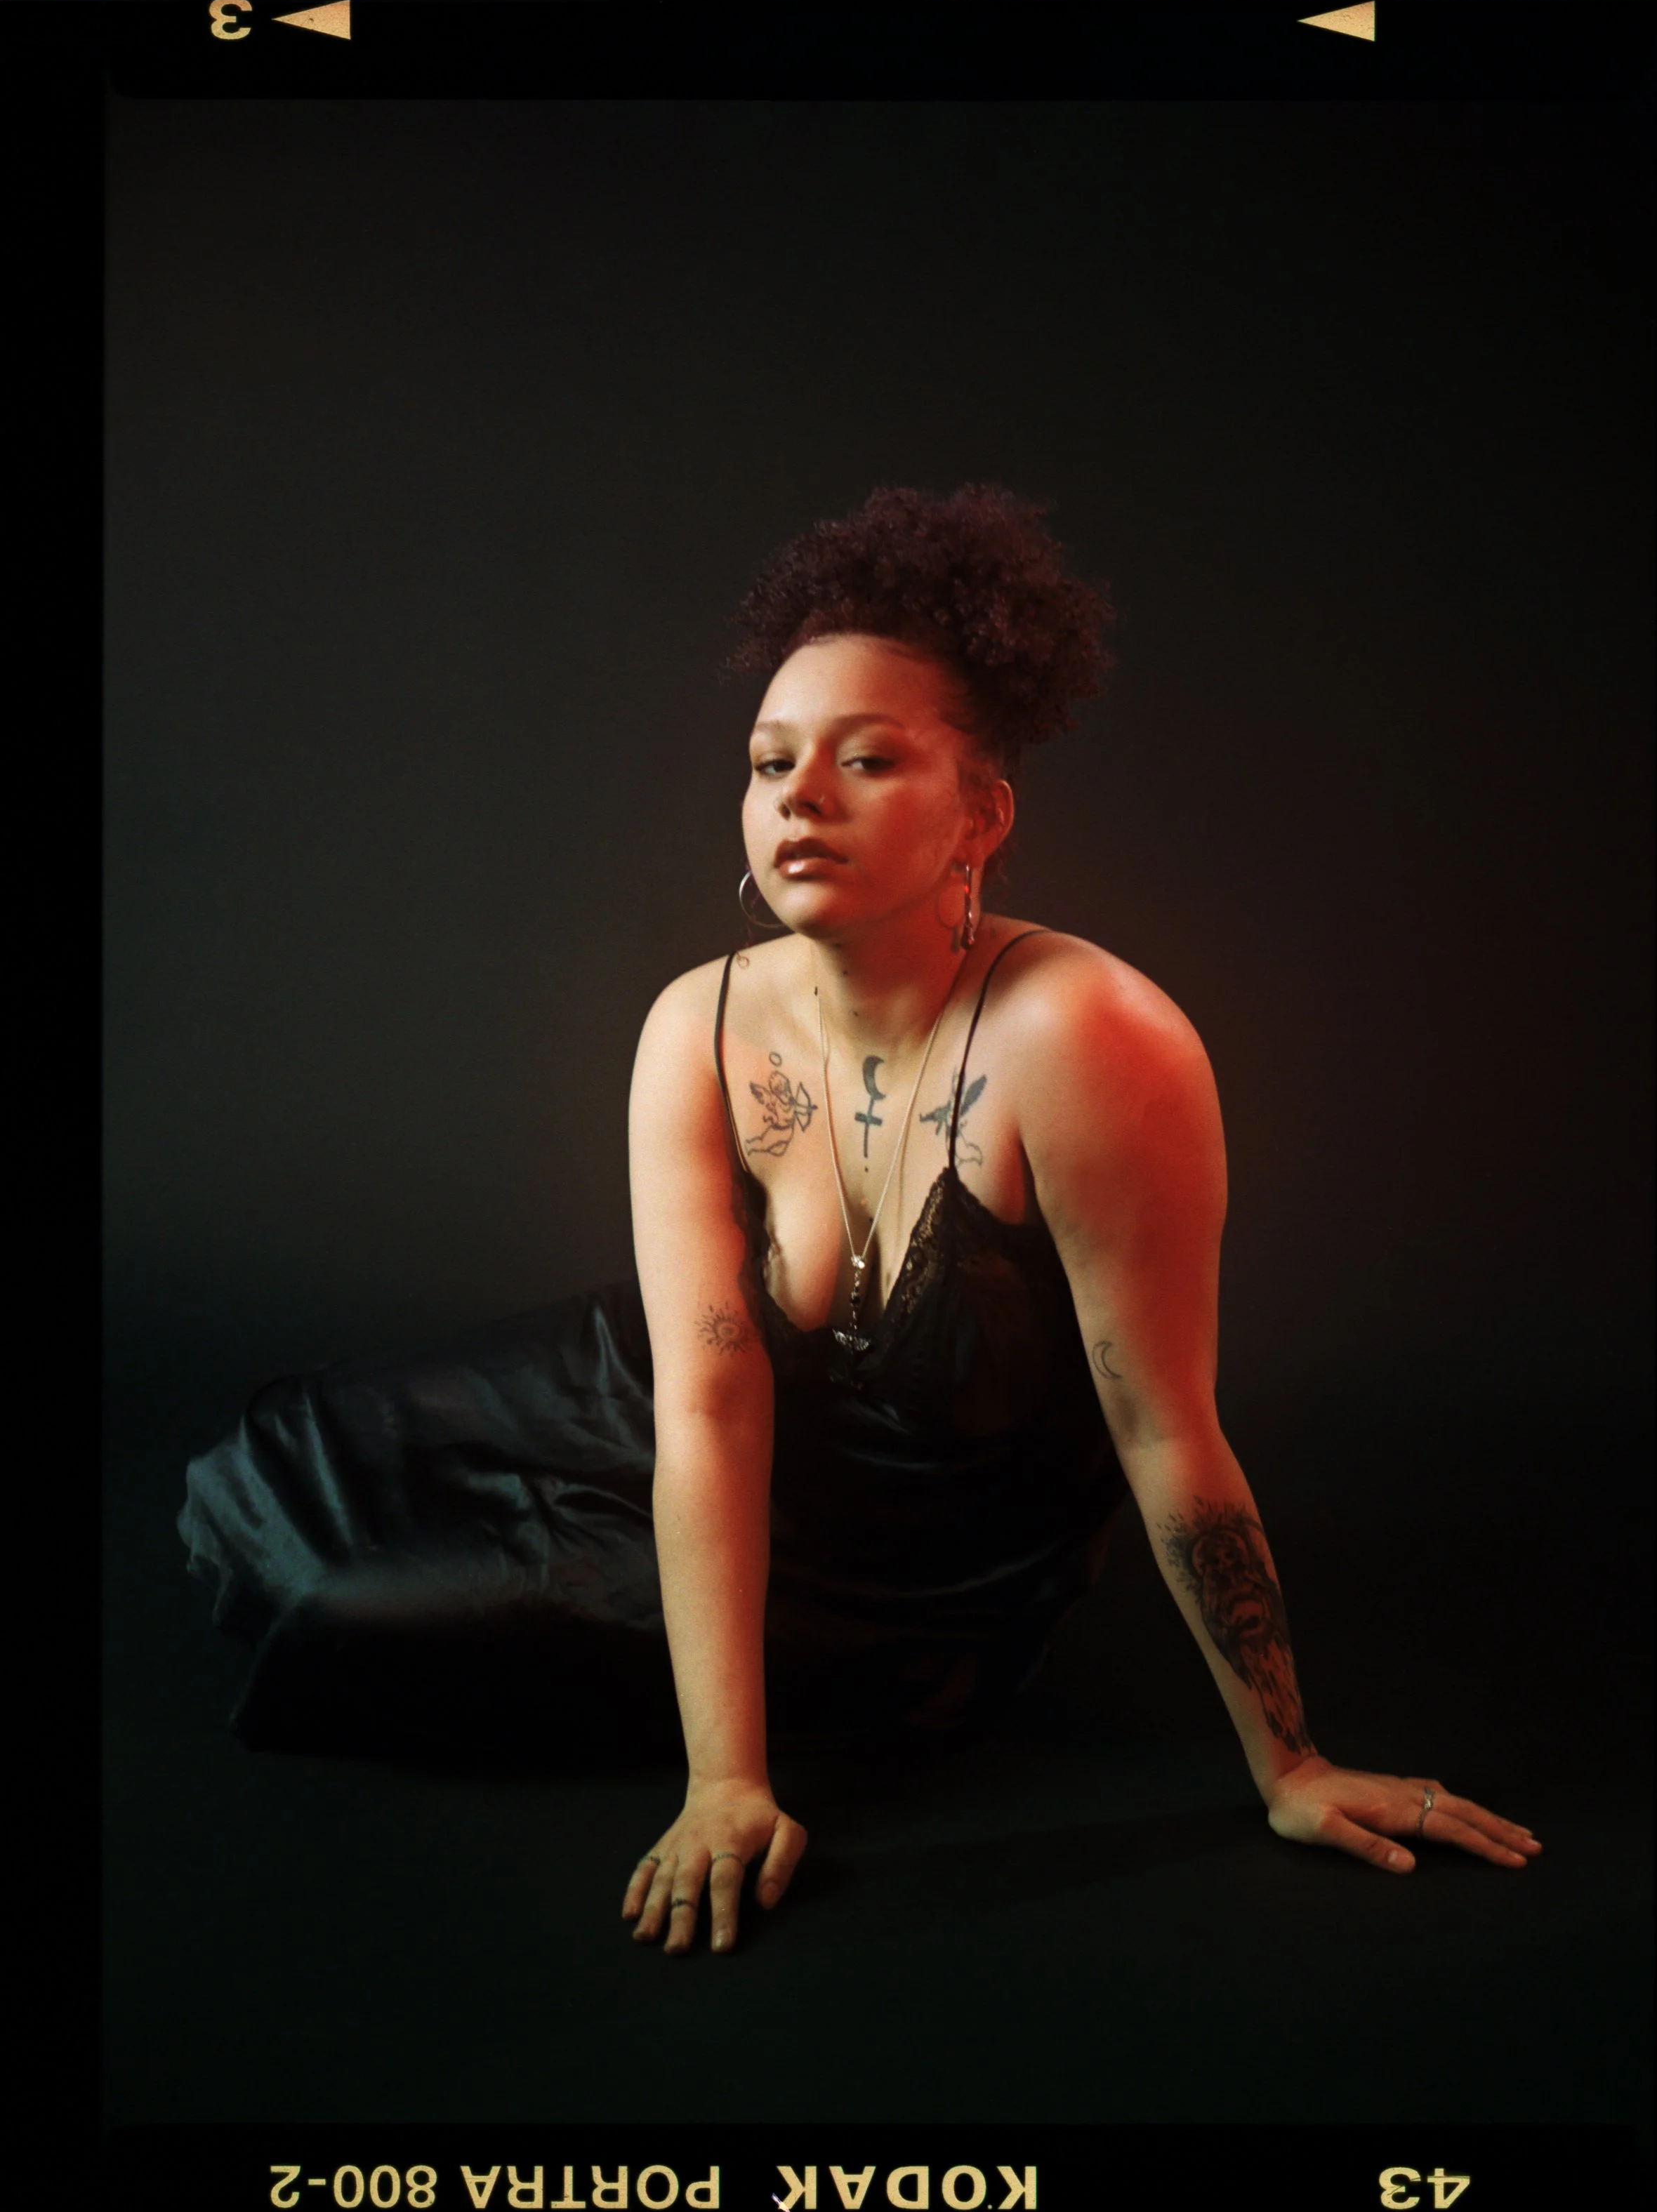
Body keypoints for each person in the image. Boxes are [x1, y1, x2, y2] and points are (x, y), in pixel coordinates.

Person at [179, 483, 1540, 1960]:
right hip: (669, 1396)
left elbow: (1163, 1426)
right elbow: (706, 1401)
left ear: (981, 814)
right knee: (271, 1467)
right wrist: (724, 1778)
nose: (800, 796)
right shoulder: (699, 1022)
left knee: (335, 1608)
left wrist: (1290, 1763)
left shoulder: (1088, 1037)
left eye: (867, 758)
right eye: (771, 762)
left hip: (909, 1571)